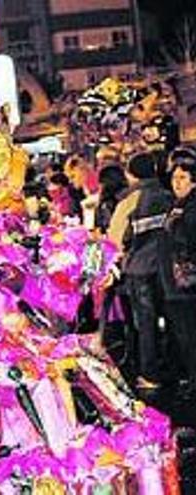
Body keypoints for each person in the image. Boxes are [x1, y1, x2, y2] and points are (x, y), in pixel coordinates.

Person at [107, 151, 174, 391]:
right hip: (167, 269)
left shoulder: (129, 201)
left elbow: (113, 240)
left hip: (139, 270)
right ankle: (178, 370)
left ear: (131, 174)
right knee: (173, 321)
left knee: (146, 324)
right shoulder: (168, 195)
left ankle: (151, 375)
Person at [159, 149, 196, 396]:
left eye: (183, 177)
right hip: (175, 284)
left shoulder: (191, 208)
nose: (177, 182)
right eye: (175, 178)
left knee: (190, 336)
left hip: (187, 286)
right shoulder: (178, 205)